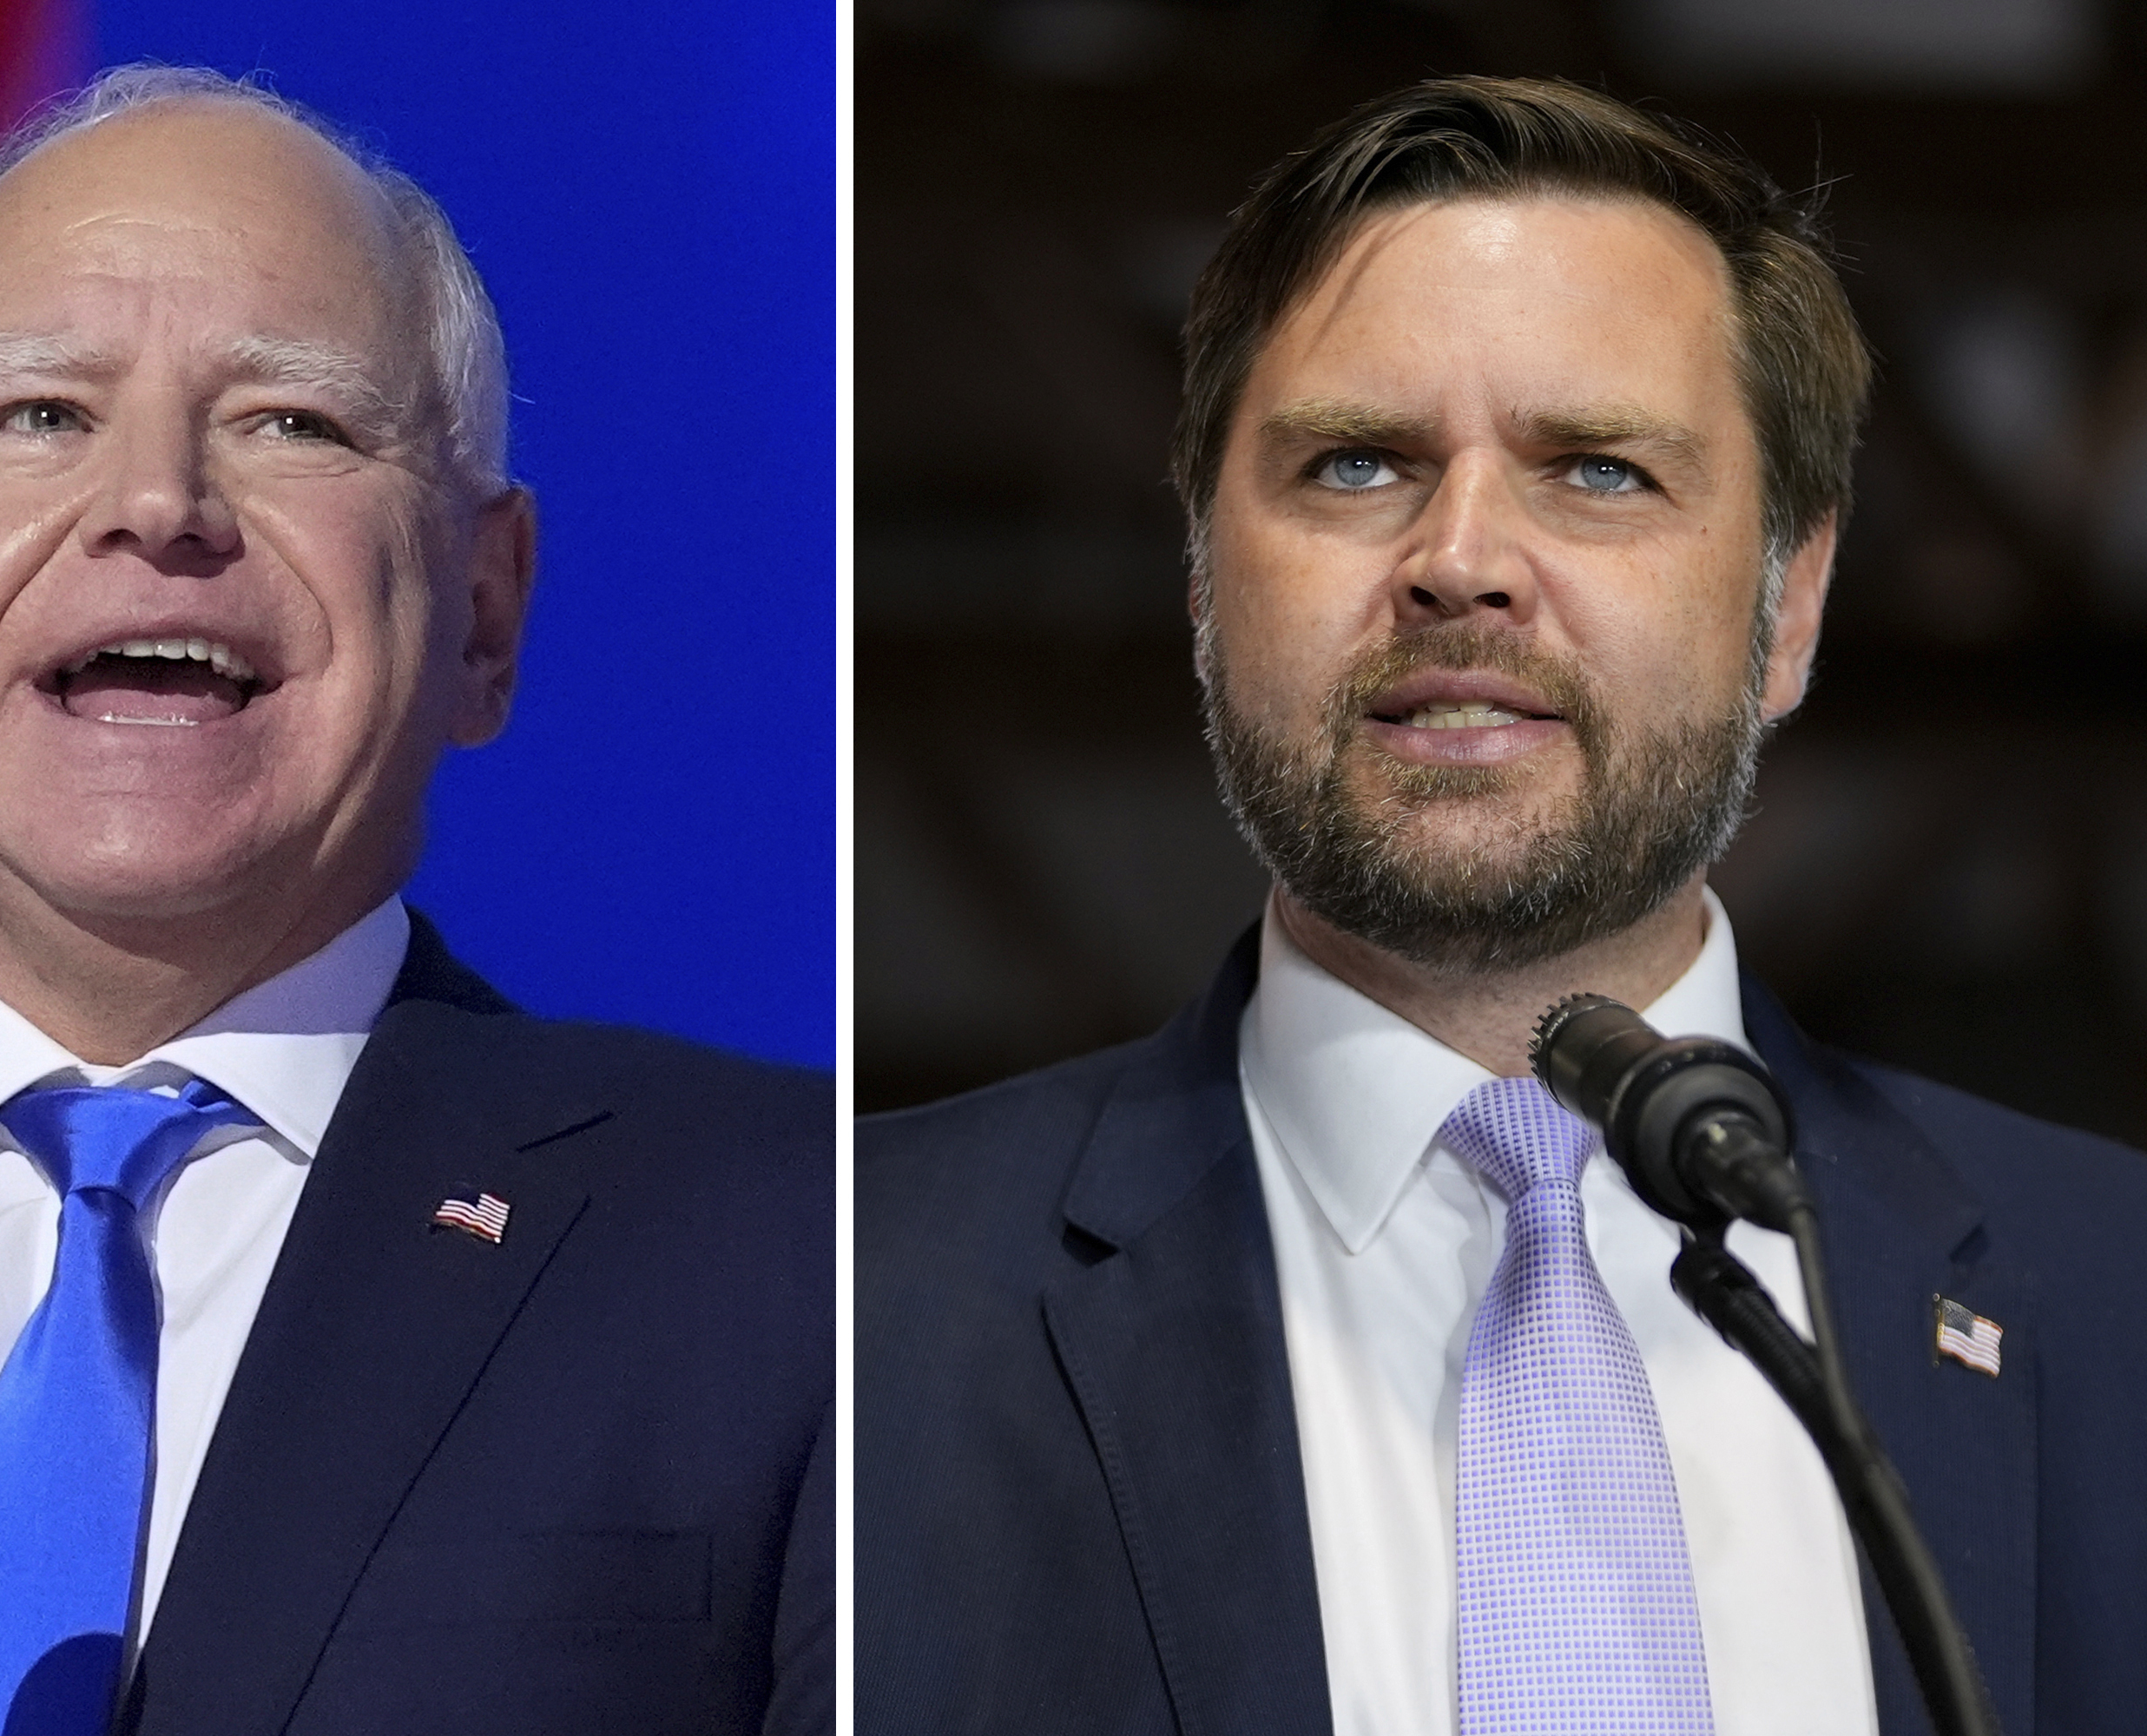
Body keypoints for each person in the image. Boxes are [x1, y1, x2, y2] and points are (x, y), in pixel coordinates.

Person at [0, 67, 830, 1736]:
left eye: (292, 421)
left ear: (486, 611)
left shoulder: (799, 1255)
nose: (159, 504)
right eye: (41, 416)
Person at [859, 76, 2147, 1735]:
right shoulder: (838, 1312)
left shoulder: (2115, 1304)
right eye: (1354, 464)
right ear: (1202, 583)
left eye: (1599, 471)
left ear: (1792, 604)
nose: (1460, 556)